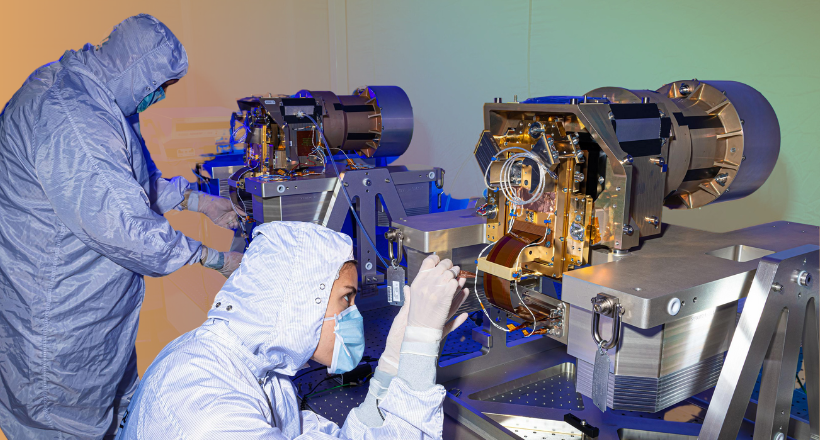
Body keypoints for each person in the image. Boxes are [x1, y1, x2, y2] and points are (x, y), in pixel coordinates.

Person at [0, 14, 244, 439]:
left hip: (93, 316)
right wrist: (215, 258)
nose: (160, 98)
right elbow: (125, 224)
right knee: (65, 426)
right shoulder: (72, 118)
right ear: (139, 72)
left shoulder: (93, 95)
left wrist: (200, 202)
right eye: (160, 87)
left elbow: (132, 180)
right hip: (60, 324)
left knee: (114, 416)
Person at [115, 221, 470, 439]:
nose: (354, 315)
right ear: (302, 300)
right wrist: (420, 344)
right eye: (346, 299)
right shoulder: (206, 410)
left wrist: (393, 364)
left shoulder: (260, 376)